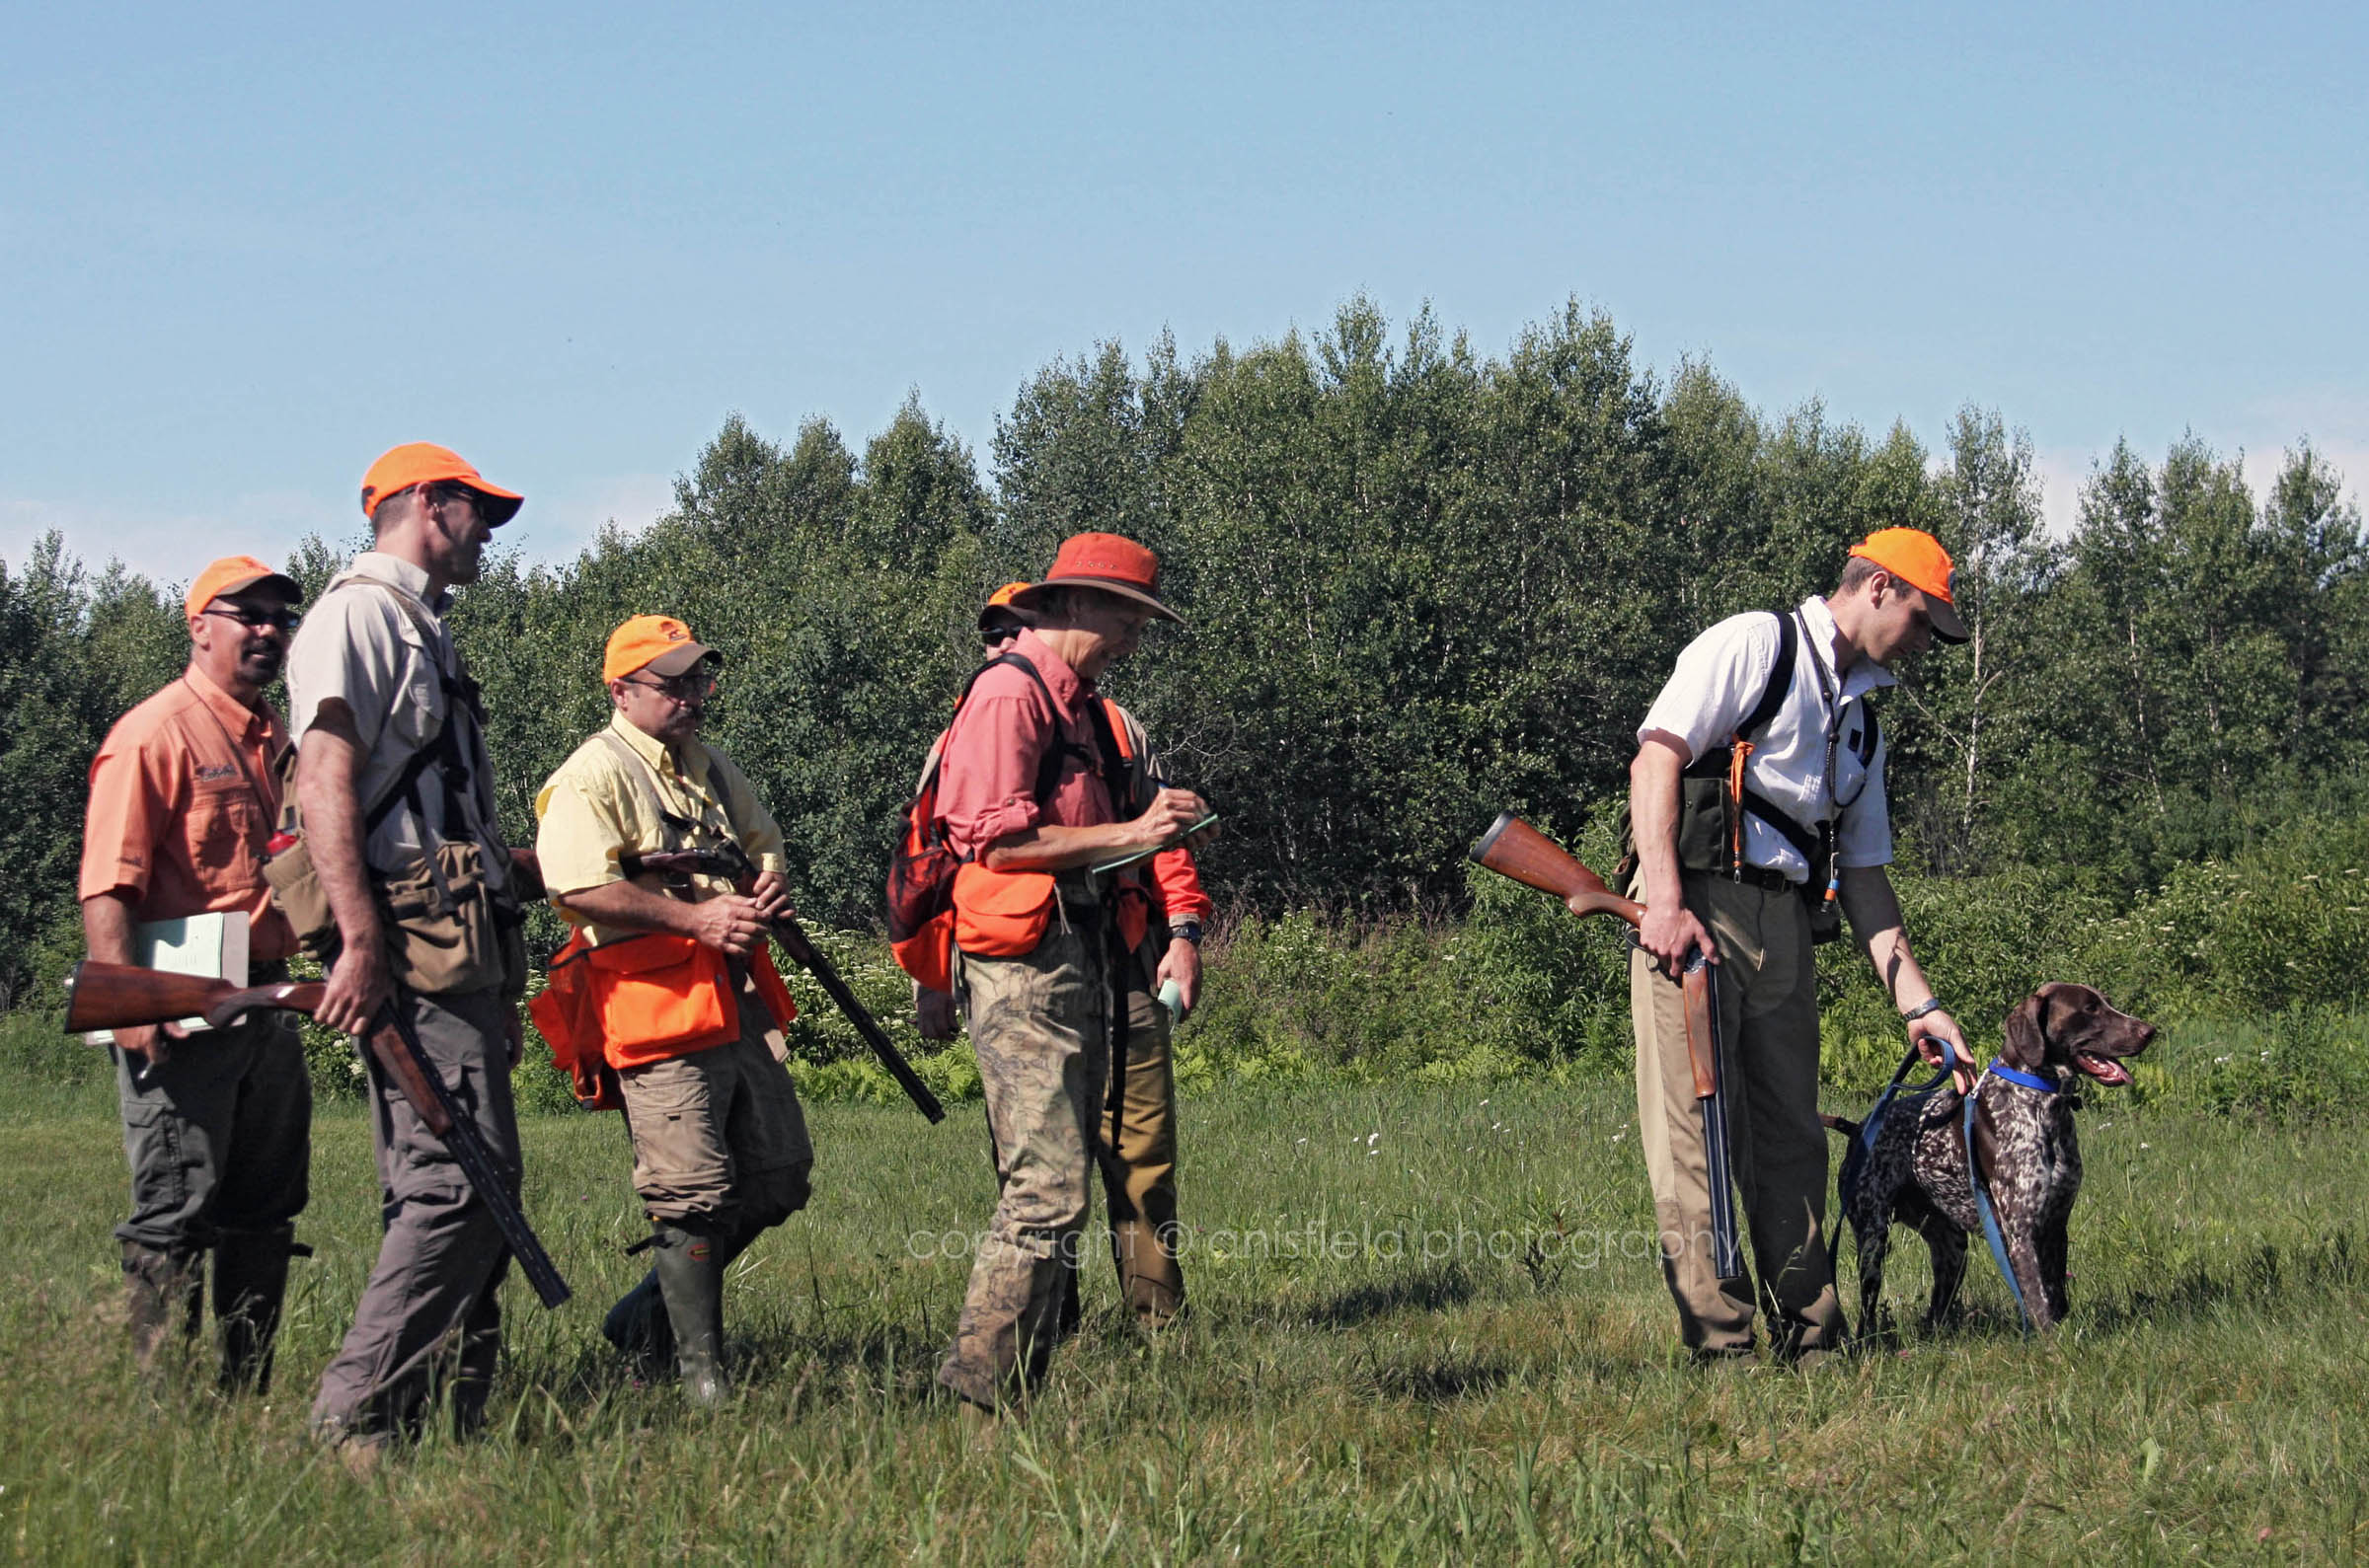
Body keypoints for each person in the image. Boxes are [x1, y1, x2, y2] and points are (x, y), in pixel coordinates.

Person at [1615, 526, 1975, 1365]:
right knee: (1693, 1139)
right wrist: (1663, 901)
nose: (1926, 643)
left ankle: (1813, 1337)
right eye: (1925, 620)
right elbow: (1655, 759)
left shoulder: (1862, 726)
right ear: (1879, 587)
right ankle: (1726, 1346)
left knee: (1793, 1139)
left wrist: (1917, 1003)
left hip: (1786, 929)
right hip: (1693, 912)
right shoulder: (1757, 643)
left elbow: (1866, 879)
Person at [931, 536, 1213, 1415]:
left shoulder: (1087, 710)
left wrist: (1168, 885)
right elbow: (995, 841)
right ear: (1085, 605)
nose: (1134, 636)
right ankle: (976, 1396)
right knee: (1048, 1189)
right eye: (1130, 617)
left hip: (1079, 955)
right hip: (1022, 968)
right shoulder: (1010, 696)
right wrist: (1139, 835)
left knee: (1073, 1185)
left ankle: (1019, 1389)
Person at [290, 443, 529, 1461]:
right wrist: (357, 937)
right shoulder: (356, 616)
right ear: (428, 505)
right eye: (480, 510)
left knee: (464, 1177)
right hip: (406, 932)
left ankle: (454, 1411)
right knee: (457, 1184)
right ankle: (354, 1412)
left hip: (454, 934)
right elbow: (324, 780)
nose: (489, 533)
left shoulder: (419, 627)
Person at [534, 615, 813, 1405]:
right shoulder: (592, 773)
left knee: (779, 1176)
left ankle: (645, 1317)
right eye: (674, 682)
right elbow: (577, 885)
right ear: (621, 690)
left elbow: (764, 845)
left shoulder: (713, 768)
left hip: (736, 1000)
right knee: (691, 1193)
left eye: (699, 680)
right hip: (654, 1008)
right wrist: (696, 918)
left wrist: (768, 885)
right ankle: (700, 1374)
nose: (694, 696)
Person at [80, 555, 312, 1390]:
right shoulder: (154, 733)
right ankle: (163, 1416)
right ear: (198, 625)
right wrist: (131, 1006)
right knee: (175, 1206)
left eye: (280, 618)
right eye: (246, 614)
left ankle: (245, 1394)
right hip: (178, 1009)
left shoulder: (276, 737)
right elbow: (108, 883)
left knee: (266, 1209)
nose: (266, 631)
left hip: (268, 995)